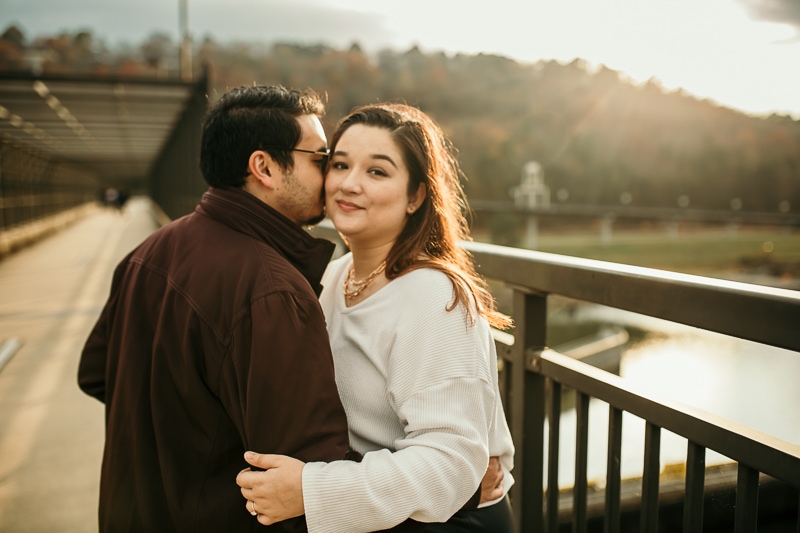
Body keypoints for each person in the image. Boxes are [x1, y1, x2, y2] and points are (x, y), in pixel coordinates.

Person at [78, 85, 354, 532]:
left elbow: (95, 372)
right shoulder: (272, 291)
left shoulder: (149, 250)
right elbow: (308, 473)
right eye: (320, 159)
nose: (332, 176)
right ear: (263, 167)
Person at [237, 103, 516, 532]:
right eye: (341, 164)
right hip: (385, 516)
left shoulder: (433, 295)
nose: (349, 184)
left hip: (447, 522)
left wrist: (312, 491)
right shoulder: (333, 278)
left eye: (377, 172)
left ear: (417, 196)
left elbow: (451, 461)